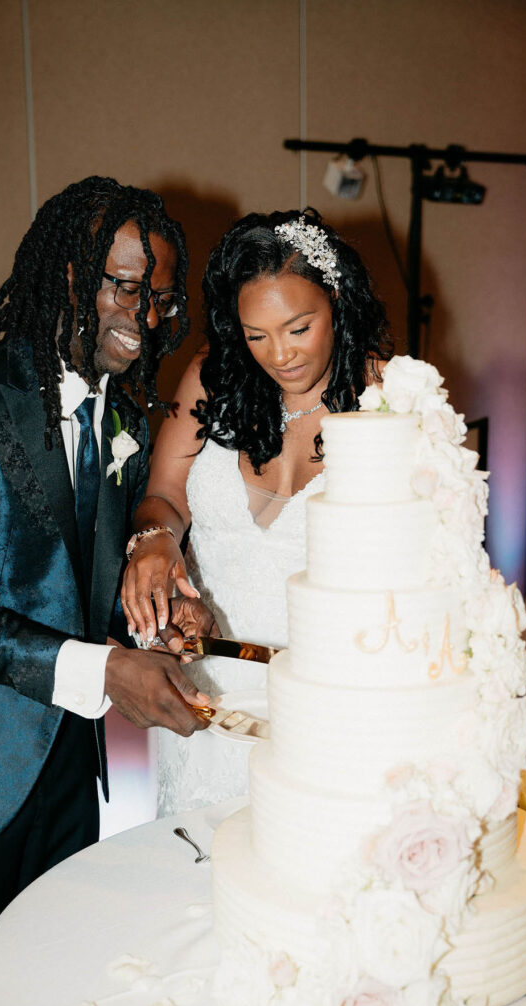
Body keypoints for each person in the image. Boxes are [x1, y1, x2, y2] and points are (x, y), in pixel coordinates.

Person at [0, 176, 215, 1006]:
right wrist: (108, 671)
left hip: (70, 771)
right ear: (70, 276)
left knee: (51, 987)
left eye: (158, 297)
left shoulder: (127, 420)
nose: (144, 316)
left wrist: (153, 622)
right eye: (124, 286)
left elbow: (83, 592)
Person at [122, 209, 393, 816]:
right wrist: (157, 541)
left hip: (327, 708)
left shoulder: (393, 401)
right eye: (256, 334)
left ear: (337, 302)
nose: (281, 356)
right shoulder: (211, 377)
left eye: (299, 327)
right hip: (207, 693)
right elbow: (162, 496)